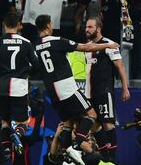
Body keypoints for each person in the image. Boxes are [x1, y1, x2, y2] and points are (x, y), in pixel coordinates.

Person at [34, 14, 118, 164]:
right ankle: (79, 140)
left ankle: (67, 153)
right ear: (47, 26)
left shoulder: (35, 46)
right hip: (67, 88)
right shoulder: (56, 41)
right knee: (91, 114)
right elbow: (86, 47)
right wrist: (107, 45)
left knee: (67, 123)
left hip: (52, 92)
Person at [0, 12, 40, 159]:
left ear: (4, 25)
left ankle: (6, 147)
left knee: (4, 120)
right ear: (18, 25)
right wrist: (27, 72)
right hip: (19, 87)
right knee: (22, 121)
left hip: (0, 87)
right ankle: (17, 134)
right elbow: (37, 65)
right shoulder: (26, 43)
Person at [84, 17, 130, 163]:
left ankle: (112, 159)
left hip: (104, 91)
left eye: (90, 27)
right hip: (88, 93)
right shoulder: (87, 46)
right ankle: (105, 157)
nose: (87, 29)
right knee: (94, 126)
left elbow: (120, 66)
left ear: (98, 28)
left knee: (107, 123)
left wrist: (125, 88)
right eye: (86, 27)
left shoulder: (109, 44)